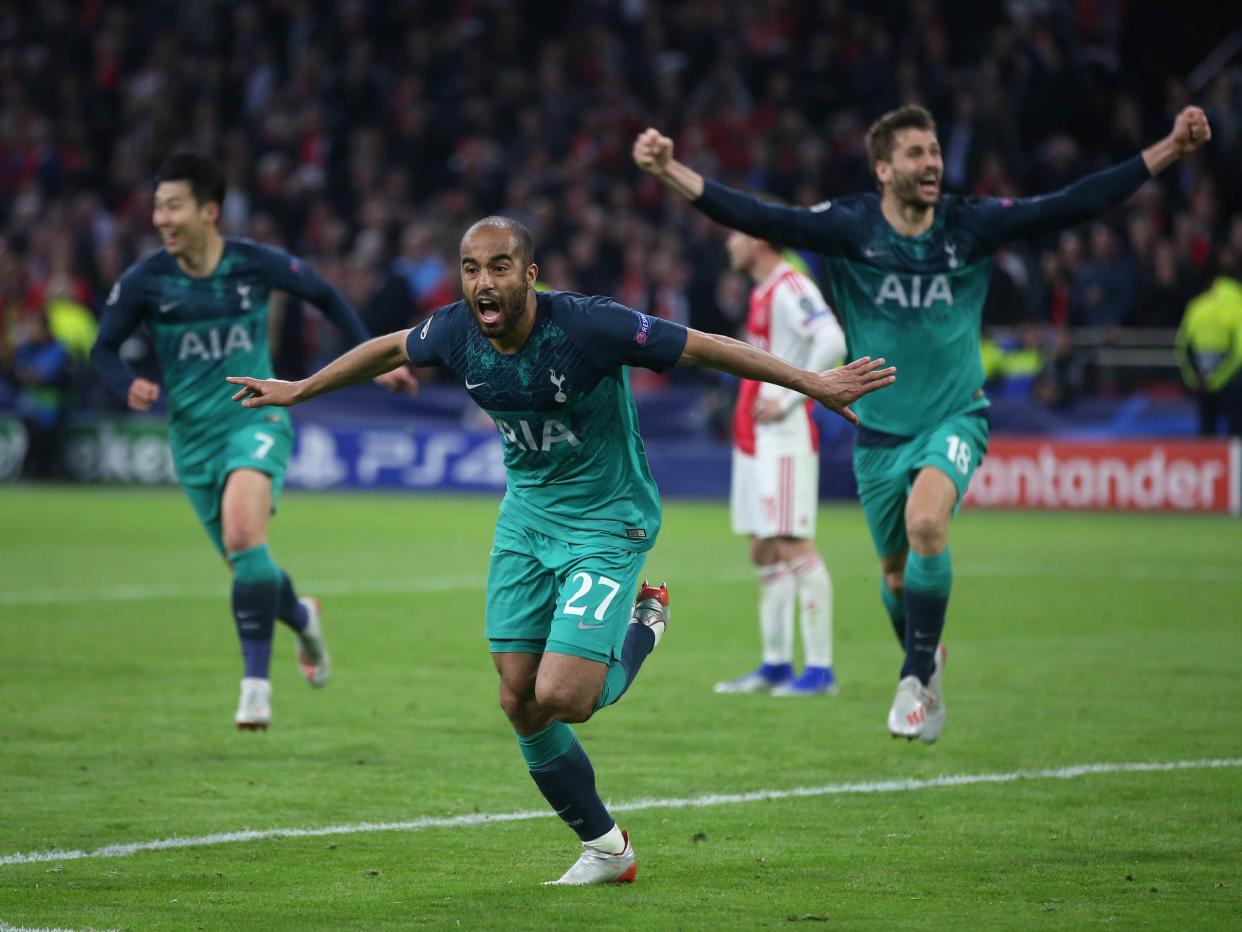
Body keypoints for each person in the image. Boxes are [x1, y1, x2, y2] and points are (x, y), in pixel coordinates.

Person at [226, 216, 894, 884]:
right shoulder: (457, 329)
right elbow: (388, 348)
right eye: (470, 268)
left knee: (565, 696)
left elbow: (703, 348)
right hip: (526, 520)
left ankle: (644, 624)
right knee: (518, 699)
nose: (482, 281)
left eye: (498, 266)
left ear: (529, 275)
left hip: (609, 518)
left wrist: (810, 382)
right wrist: (301, 388)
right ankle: (607, 849)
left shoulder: (587, 326)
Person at [634, 103, 1213, 743]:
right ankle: (926, 665)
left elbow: (1070, 204)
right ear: (884, 168)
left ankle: (913, 675)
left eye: (934, 151)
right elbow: (759, 216)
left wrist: (1167, 149)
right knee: (893, 576)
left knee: (928, 522)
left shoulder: (969, 226)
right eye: (915, 153)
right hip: (879, 431)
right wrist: (670, 172)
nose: (931, 163)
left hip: (955, 415)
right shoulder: (851, 226)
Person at [90, 153, 417, 730]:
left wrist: (377, 359)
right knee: (250, 564)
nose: (161, 218)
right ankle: (303, 618)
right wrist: (127, 382)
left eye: (173, 205)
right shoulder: (146, 281)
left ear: (208, 211)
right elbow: (102, 348)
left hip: (256, 418)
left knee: (244, 535)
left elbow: (323, 294)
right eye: (157, 206)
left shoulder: (253, 264)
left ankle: (255, 687)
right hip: (193, 441)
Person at [713, 231, 847, 697]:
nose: (729, 243)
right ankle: (775, 664)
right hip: (754, 438)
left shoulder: (792, 285)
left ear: (760, 240)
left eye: (736, 234)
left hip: (784, 436)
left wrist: (791, 398)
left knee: (794, 546)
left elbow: (831, 340)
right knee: (763, 549)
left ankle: (820, 670)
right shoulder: (763, 290)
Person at [1175, 246, 1242, 437]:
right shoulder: (1239, 304)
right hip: (1234, 387)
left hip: (1202, 384)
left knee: (1206, 439)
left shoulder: (1197, 306)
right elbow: (1240, 352)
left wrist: (1195, 378)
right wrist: (1220, 378)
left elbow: (1182, 348)